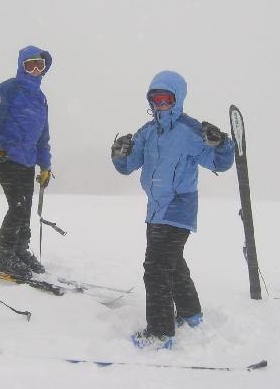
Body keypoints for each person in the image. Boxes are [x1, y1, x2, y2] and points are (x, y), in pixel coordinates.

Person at [111, 70, 235, 350]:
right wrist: (119, 154)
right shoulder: (147, 132)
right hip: (155, 210)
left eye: (167, 99)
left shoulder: (190, 131)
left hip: (178, 208)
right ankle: (191, 314)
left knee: (155, 269)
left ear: (177, 99)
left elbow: (219, 163)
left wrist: (223, 144)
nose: (161, 105)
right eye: (156, 100)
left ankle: (160, 332)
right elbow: (128, 166)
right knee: (172, 264)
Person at [0, 45, 53, 279]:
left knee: (25, 209)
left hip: (27, 161)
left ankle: (20, 249)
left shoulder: (41, 100)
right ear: (22, 67)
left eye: (39, 65)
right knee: (18, 206)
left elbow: (43, 138)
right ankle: (5, 254)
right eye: (30, 65)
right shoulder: (9, 89)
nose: (35, 70)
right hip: (6, 157)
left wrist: (45, 166)